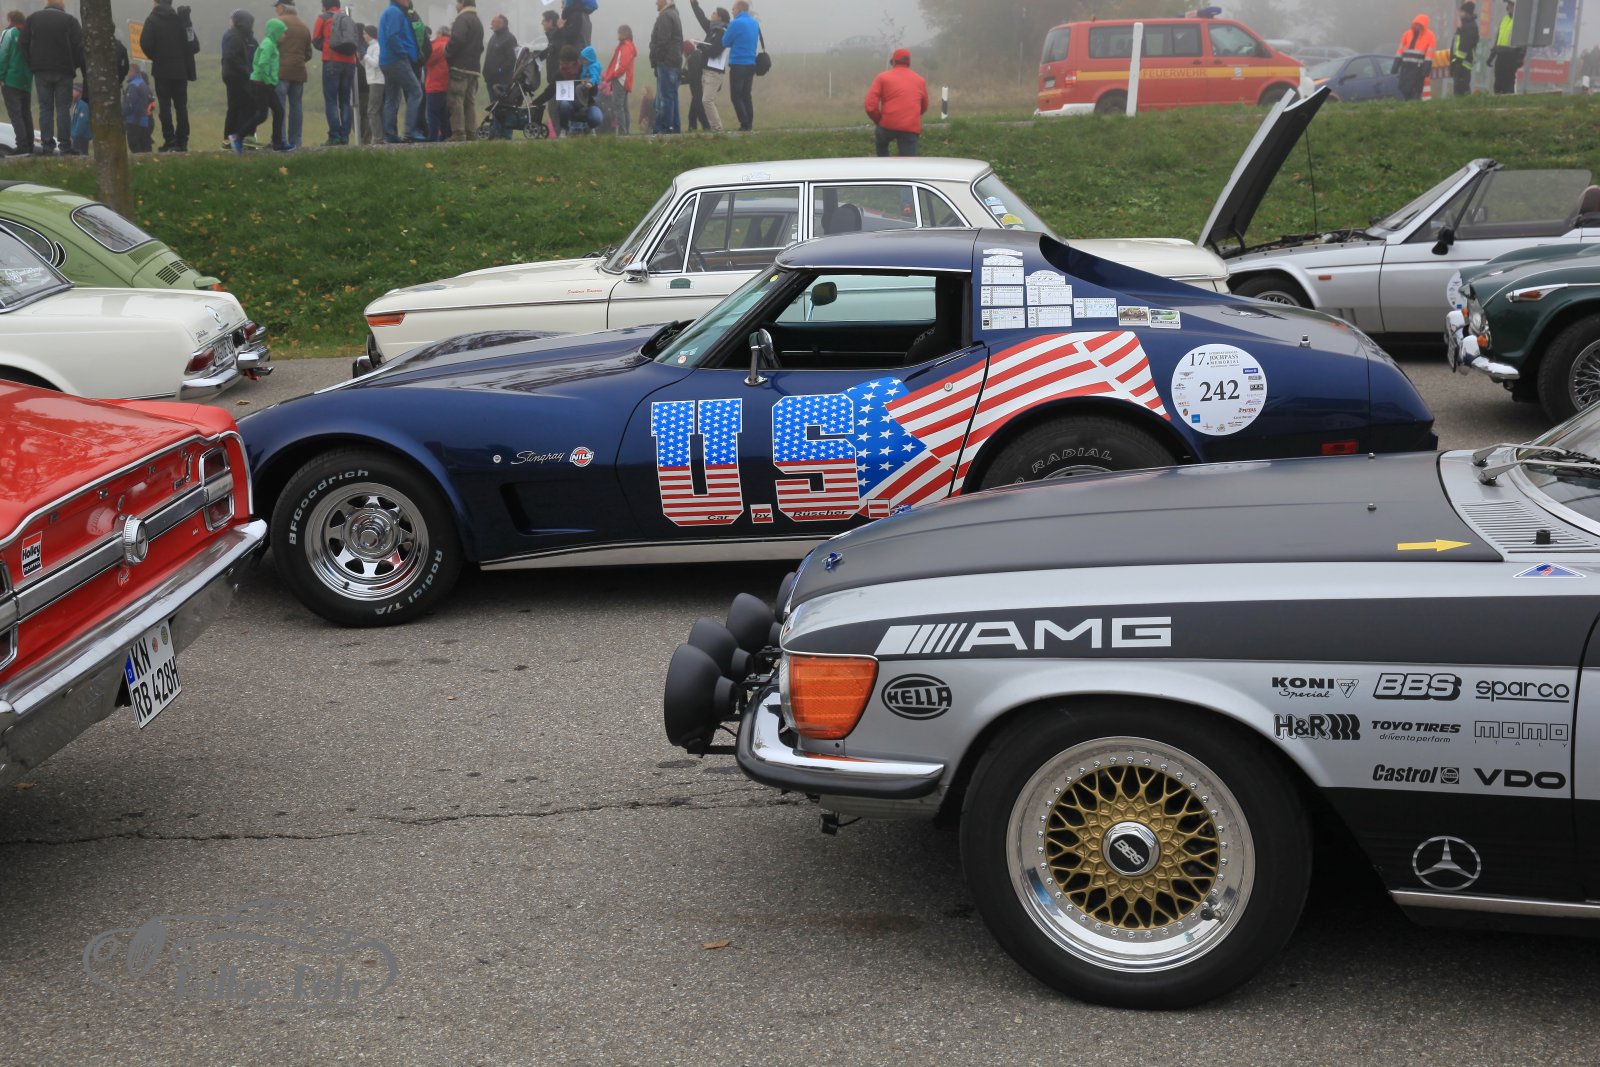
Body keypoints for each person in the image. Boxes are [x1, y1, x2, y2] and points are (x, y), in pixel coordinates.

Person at [21, 0, 85, 155]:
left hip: (41, 70)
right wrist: (74, 65)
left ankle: (47, 145)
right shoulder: (70, 20)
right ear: (62, 6)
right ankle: (65, 145)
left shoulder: (33, 19)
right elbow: (79, 46)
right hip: (64, 70)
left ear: (46, 4)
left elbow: (22, 42)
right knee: (63, 108)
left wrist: (32, 63)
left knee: (45, 108)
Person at [139, 0, 197, 151]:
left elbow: (145, 44)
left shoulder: (152, 19)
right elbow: (194, 45)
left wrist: (155, 57)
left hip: (161, 70)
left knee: (165, 106)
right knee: (181, 106)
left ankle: (169, 140)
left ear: (156, 2)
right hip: (180, 71)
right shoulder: (181, 19)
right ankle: (182, 140)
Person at [864, 47, 926, 157]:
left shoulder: (882, 77)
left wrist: (879, 120)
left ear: (893, 62)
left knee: (881, 142)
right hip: (910, 127)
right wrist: (910, 117)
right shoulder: (920, 80)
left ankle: (883, 163)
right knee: (907, 163)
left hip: (887, 125)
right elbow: (924, 106)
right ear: (909, 62)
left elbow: (870, 106)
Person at [312, 0, 357, 145]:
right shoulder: (348, 19)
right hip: (350, 62)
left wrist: (327, 47)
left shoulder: (323, 18)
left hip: (332, 61)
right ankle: (345, 137)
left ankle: (334, 135)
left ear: (324, 6)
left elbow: (316, 40)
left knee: (331, 100)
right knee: (345, 100)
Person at [378, 0, 423, 141]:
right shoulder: (395, 12)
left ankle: (389, 135)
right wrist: (403, 53)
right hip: (397, 60)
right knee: (416, 92)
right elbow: (392, 36)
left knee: (392, 98)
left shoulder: (390, 11)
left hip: (387, 61)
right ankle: (410, 131)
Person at [274, 0, 313, 148]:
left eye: (277, 7)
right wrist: (298, 61)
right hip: (299, 72)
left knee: (279, 107)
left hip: (280, 71)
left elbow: (271, 45)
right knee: (296, 106)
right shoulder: (304, 26)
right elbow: (308, 53)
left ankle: (280, 139)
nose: (276, 10)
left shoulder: (277, 23)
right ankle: (296, 141)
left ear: (283, 7)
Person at [248, 15, 288, 151]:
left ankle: (277, 143)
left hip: (267, 83)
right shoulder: (268, 44)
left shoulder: (272, 44)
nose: (284, 36)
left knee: (279, 111)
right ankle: (238, 135)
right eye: (282, 32)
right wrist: (268, 80)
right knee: (262, 115)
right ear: (275, 32)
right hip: (262, 83)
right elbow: (263, 63)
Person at [444, 0, 481, 142]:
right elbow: (480, 46)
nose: (456, 6)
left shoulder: (462, 19)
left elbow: (457, 39)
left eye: (457, 2)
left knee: (456, 100)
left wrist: (447, 52)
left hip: (460, 67)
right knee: (469, 102)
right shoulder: (477, 21)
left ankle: (458, 133)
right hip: (474, 68)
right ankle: (471, 133)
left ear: (463, 3)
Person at [221, 9, 258, 148]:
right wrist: (248, 71)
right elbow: (232, 57)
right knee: (240, 106)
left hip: (237, 75)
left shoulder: (246, 38)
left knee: (239, 107)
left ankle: (234, 139)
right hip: (237, 76)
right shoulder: (235, 36)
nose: (231, 22)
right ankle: (233, 139)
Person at [687, 1, 725, 132]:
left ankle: (717, 128)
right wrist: (694, 5)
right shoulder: (712, 29)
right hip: (707, 71)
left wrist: (700, 45)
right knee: (708, 101)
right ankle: (714, 127)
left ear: (720, 18)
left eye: (714, 13)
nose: (711, 15)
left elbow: (715, 51)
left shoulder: (722, 32)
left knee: (707, 101)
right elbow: (701, 17)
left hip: (714, 71)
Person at [0, 10, 32, 158]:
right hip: (26, 81)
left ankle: (22, 147)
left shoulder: (8, 33)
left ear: (11, 19)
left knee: (15, 115)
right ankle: (30, 146)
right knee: (26, 114)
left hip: (11, 80)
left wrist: (1, 76)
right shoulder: (28, 35)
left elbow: (3, 55)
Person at [722, 0, 757, 131]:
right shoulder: (754, 22)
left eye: (733, 9)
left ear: (739, 9)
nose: (732, 12)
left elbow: (725, 42)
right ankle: (749, 123)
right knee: (746, 95)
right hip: (751, 63)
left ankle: (744, 123)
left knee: (736, 96)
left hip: (738, 63)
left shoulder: (735, 23)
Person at [648, 0, 681, 133]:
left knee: (665, 97)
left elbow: (662, 41)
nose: (656, 2)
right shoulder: (674, 14)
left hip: (666, 62)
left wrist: (658, 59)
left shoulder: (666, 16)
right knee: (672, 96)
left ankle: (664, 129)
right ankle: (674, 128)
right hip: (674, 61)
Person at [1393, 12, 1435, 101]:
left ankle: (1413, 105)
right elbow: (1400, 51)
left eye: (1420, 25)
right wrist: (1395, 65)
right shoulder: (1407, 34)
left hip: (1418, 69)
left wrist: (1426, 70)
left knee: (1415, 91)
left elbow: (1429, 54)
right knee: (1404, 89)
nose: (1417, 27)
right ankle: (1409, 105)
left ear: (1424, 26)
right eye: (1416, 24)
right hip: (1406, 68)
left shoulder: (1430, 36)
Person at [601, 23, 634, 133]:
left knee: (618, 106)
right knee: (623, 107)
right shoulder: (627, 46)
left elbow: (622, 65)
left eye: (619, 32)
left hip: (620, 80)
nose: (618, 35)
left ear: (624, 34)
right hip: (623, 80)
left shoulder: (625, 47)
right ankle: (625, 131)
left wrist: (614, 75)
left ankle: (622, 132)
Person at [1488, 0, 1524, 95]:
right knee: (1498, 81)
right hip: (1501, 55)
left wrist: (1520, 58)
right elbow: (1498, 39)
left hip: (1512, 55)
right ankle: (1497, 100)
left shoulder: (1520, 21)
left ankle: (1508, 101)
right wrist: (1492, 56)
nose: (1509, 6)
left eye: (1511, 4)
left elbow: (1523, 41)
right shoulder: (1504, 20)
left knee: (1508, 83)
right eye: (1509, 4)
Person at [424, 25, 449, 140]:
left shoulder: (439, 45)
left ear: (440, 34)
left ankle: (433, 138)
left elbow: (427, 60)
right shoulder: (451, 44)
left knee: (433, 113)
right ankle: (444, 136)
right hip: (446, 83)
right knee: (443, 114)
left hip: (435, 83)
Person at [122, 61, 153, 152]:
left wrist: (122, 114)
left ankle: (141, 161)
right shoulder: (143, 83)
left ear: (133, 71)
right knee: (144, 146)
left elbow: (129, 105)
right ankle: (147, 161)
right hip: (144, 120)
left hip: (134, 120)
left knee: (134, 145)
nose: (127, 73)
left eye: (128, 71)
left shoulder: (133, 85)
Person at [1449, 2, 1478, 97]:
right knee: (1458, 88)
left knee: (1462, 89)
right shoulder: (1465, 25)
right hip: (1459, 62)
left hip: (1463, 63)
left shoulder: (1470, 27)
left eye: (1462, 11)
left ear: (1467, 13)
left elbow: (1465, 46)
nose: (1460, 13)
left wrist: (1458, 60)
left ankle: (1465, 105)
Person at [360, 23, 383, 142]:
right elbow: (368, 66)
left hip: (377, 81)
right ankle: (379, 137)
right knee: (375, 110)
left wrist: (365, 55)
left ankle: (378, 138)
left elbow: (375, 63)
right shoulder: (370, 47)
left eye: (365, 33)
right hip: (373, 81)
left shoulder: (377, 46)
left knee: (372, 111)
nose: (363, 36)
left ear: (370, 34)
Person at [483, 12, 516, 92]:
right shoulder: (494, 37)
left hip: (502, 81)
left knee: (501, 100)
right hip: (490, 80)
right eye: (492, 21)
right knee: (493, 100)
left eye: (494, 21)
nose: (492, 23)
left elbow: (511, 60)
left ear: (502, 24)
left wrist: (499, 70)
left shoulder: (509, 38)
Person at [68, 79, 87, 153]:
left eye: (74, 90)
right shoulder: (77, 103)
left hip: (80, 137)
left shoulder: (82, 104)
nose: (71, 92)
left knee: (82, 154)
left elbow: (82, 121)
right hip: (76, 136)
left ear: (79, 92)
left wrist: (76, 134)